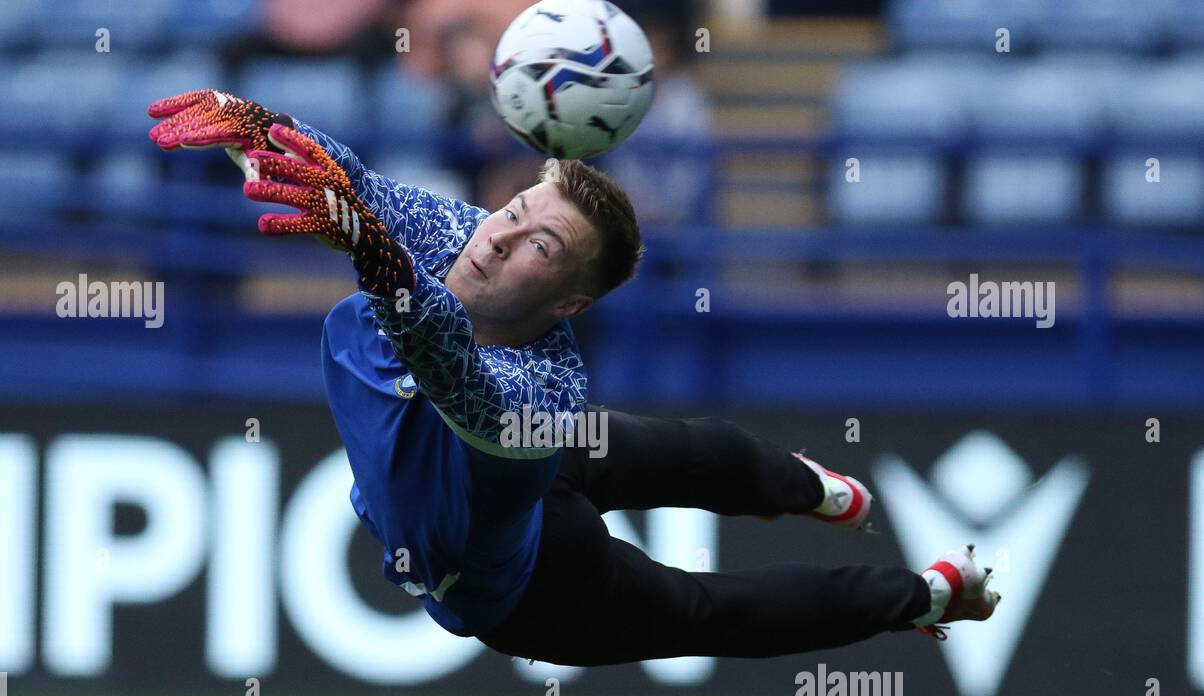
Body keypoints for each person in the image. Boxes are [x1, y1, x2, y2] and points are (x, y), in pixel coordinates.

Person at [147, 90, 1000, 666]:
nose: (500, 239)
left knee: (706, 601)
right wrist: (257, 128)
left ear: (573, 303)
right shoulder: (460, 235)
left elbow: (457, 378)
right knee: (690, 453)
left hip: (540, 582)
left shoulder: (543, 391)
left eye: (539, 249)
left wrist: (376, 257)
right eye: (515, 214)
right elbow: (357, 186)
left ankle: (898, 580)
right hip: (483, 531)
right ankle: (850, 521)